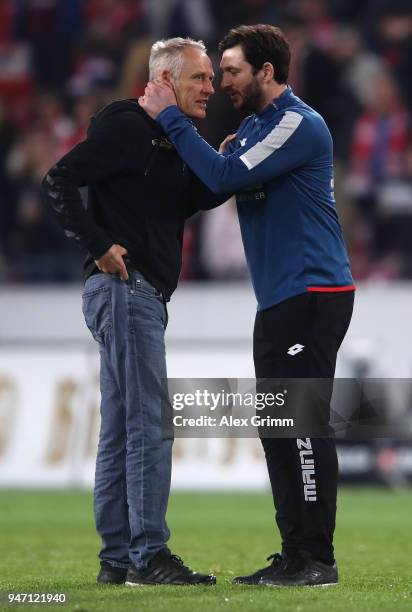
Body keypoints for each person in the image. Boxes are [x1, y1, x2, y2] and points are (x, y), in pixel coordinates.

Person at [140, 24, 355, 587]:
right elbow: (212, 183)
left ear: (267, 71)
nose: (223, 81)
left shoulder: (297, 124)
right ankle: (294, 553)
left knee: (303, 424)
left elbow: (225, 174)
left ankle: (318, 559)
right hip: (281, 298)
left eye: (231, 70)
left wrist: (170, 118)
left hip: (314, 293)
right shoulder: (257, 128)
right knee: (278, 426)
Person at [42, 37, 223, 587]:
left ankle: (117, 559)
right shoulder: (126, 126)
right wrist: (98, 244)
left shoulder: (164, 139)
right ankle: (149, 556)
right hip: (125, 289)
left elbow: (177, 200)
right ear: (164, 80)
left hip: (136, 294)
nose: (210, 89)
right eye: (200, 78)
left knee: (122, 428)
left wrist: (223, 170)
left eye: (212, 79)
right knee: (147, 425)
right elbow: (59, 180)